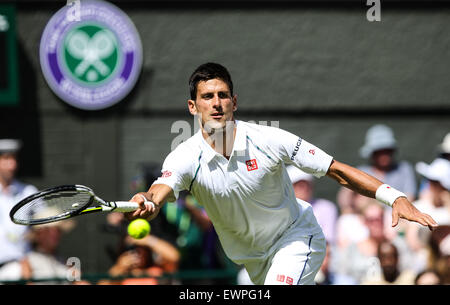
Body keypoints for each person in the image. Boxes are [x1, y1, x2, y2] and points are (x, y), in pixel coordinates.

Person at [124, 63, 437, 285]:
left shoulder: (269, 140)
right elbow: (160, 189)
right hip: (253, 260)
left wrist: (393, 196)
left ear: (234, 102)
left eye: (222, 96)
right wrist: (148, 201)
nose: (216, 104)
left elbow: (337, 171)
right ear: (193, 107)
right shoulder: (185, 156)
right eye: (207, 97)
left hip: (297, 237)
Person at [405, 158, 450, 273]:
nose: (431, 185)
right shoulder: (418, 207)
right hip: (423, 263)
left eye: (436, 182)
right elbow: (412, 241)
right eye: (430, 180)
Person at [0, 139, 38, 270]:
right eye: (6, 159)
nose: (12, 165)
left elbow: (47, 226)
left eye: (14, 159)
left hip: (22, 266)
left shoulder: (29, 192)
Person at [286, 165, 338, 245]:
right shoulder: (281, 210)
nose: (304, 188)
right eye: (299, 185)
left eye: (306, 184)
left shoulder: (326, 207)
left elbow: (327, 241)